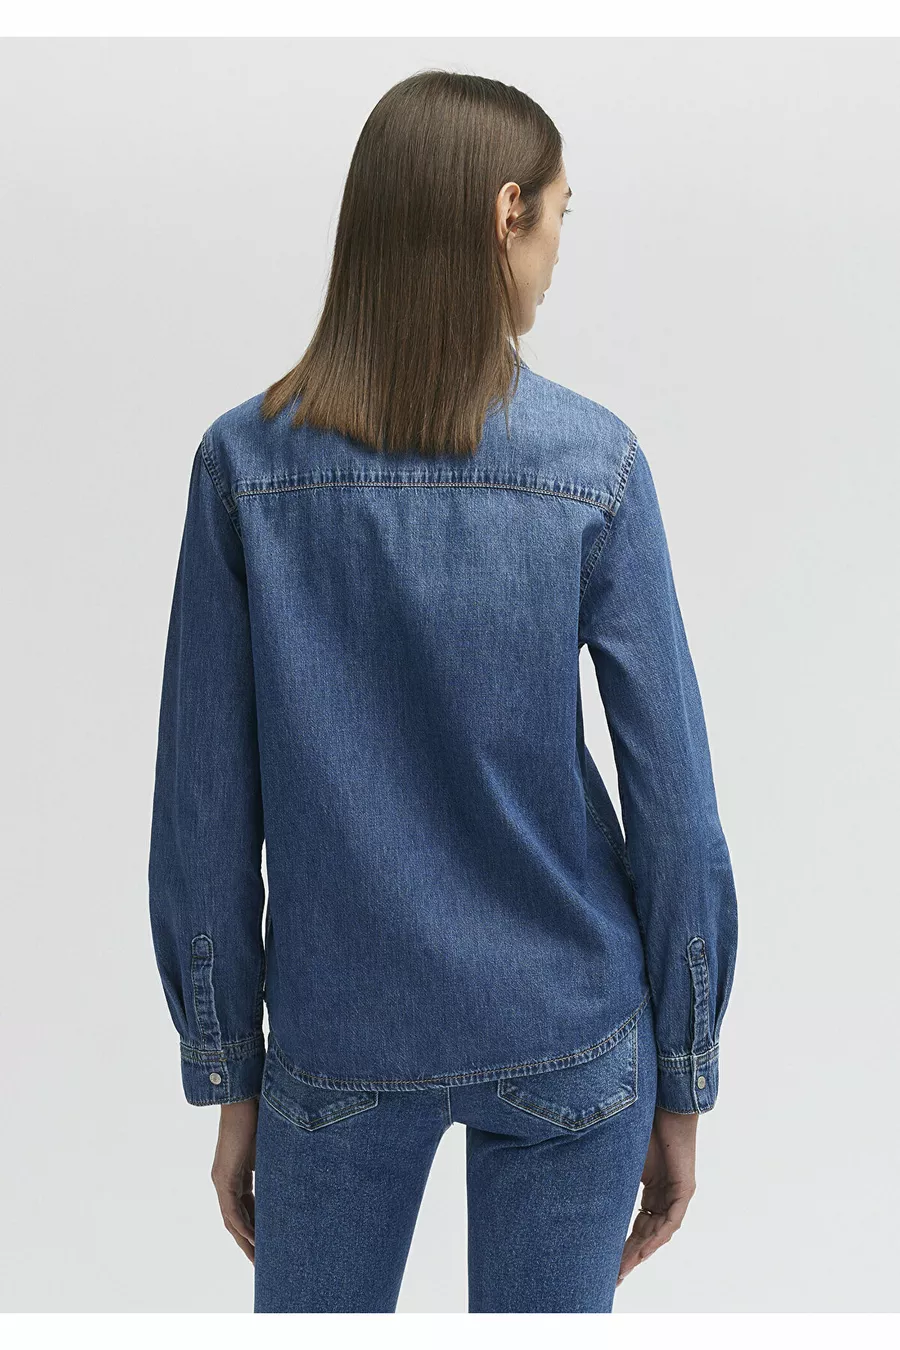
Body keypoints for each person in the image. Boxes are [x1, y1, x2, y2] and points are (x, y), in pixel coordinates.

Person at [148, 69, 739, 1315]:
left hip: (336, 1043)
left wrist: (231, 1073)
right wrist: (684, 1079)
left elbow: (204, 814)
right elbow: (678, 808)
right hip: (569, 1028)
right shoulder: (595, 465)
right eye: (560, 218)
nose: (558, 257)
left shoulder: (244, 465)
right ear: (504, 210)